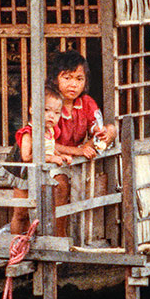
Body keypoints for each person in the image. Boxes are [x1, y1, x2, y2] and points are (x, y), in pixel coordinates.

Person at [47, 50, 118, 236]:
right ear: (55, 79)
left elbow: (96, 124)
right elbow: (46, 142)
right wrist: (78, 151)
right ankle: (59, 238)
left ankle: (84, 236)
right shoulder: (51, 103)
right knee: (60, 185)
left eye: (79, 79)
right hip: (53, 159)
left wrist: (99, 132)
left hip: (79, 158)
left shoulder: (86, 102)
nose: (73, 84)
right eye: (67, 78)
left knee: (111, 129)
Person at [2, 84, 70, 235]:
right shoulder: (29, 133)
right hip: (24, 174)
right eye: (46, 110)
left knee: (33, 212)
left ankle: (27, 243)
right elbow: (26, 157)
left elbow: (49, 146)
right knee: (21, 214)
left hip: (38, 175)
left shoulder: (50, 130)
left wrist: (59, 154)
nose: (52, 116)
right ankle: (15, 243)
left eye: (57, 113)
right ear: (32, 110)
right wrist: (50, 158)